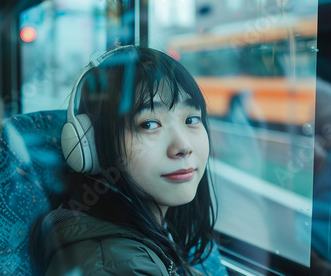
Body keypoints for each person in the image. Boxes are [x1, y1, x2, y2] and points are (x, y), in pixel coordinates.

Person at [32, 46, 226, 275]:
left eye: (192, 119)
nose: (183, 146)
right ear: (91, 145)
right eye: (149, 124)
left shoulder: (149, 233)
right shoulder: (114, 265)